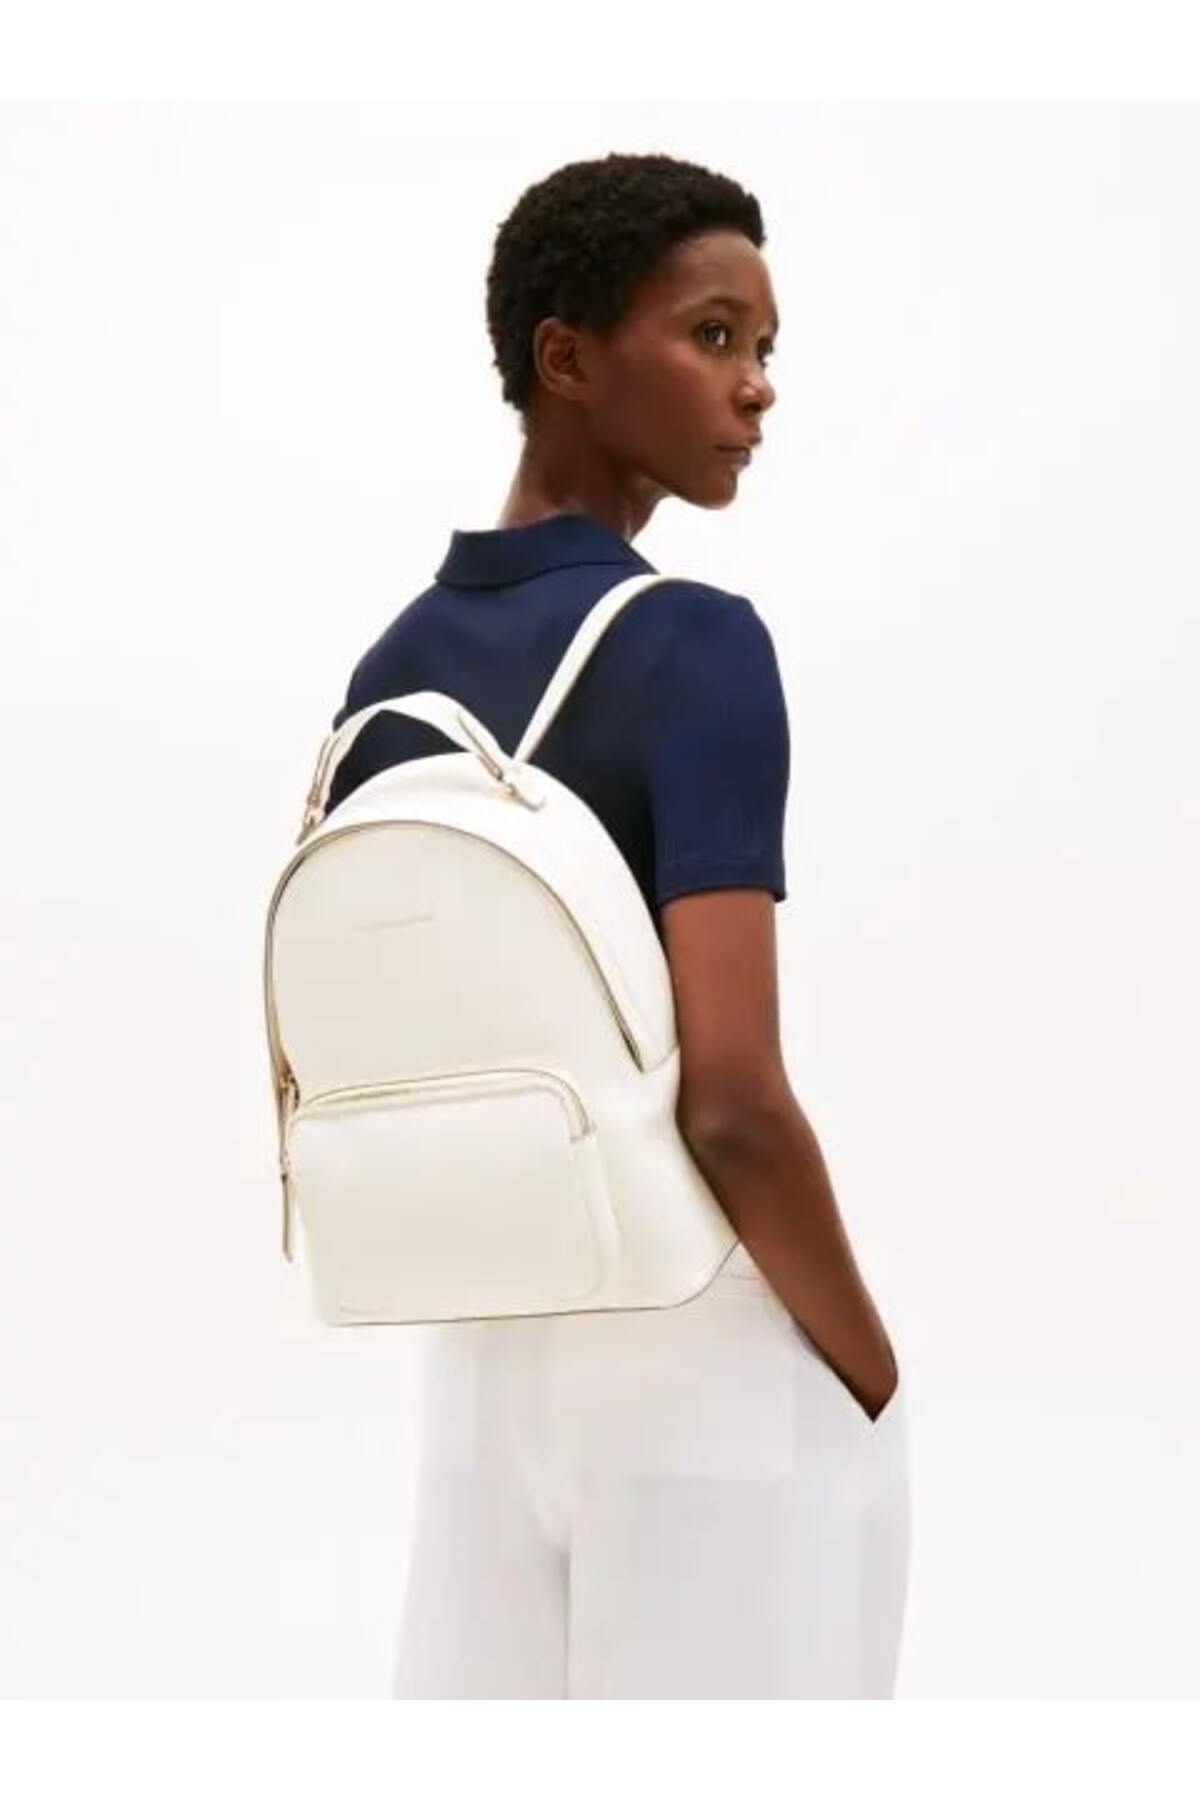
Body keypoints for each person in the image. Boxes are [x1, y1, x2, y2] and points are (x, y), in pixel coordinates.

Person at [325, 151, 910, 1699]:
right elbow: (732, 1098)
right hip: (700, 1341)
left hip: (484, 1354)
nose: (757, 386)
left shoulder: (387, 682)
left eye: (764, 348)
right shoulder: (696, 648)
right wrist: (867, 1368)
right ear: (567, 358)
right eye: (714, 336)